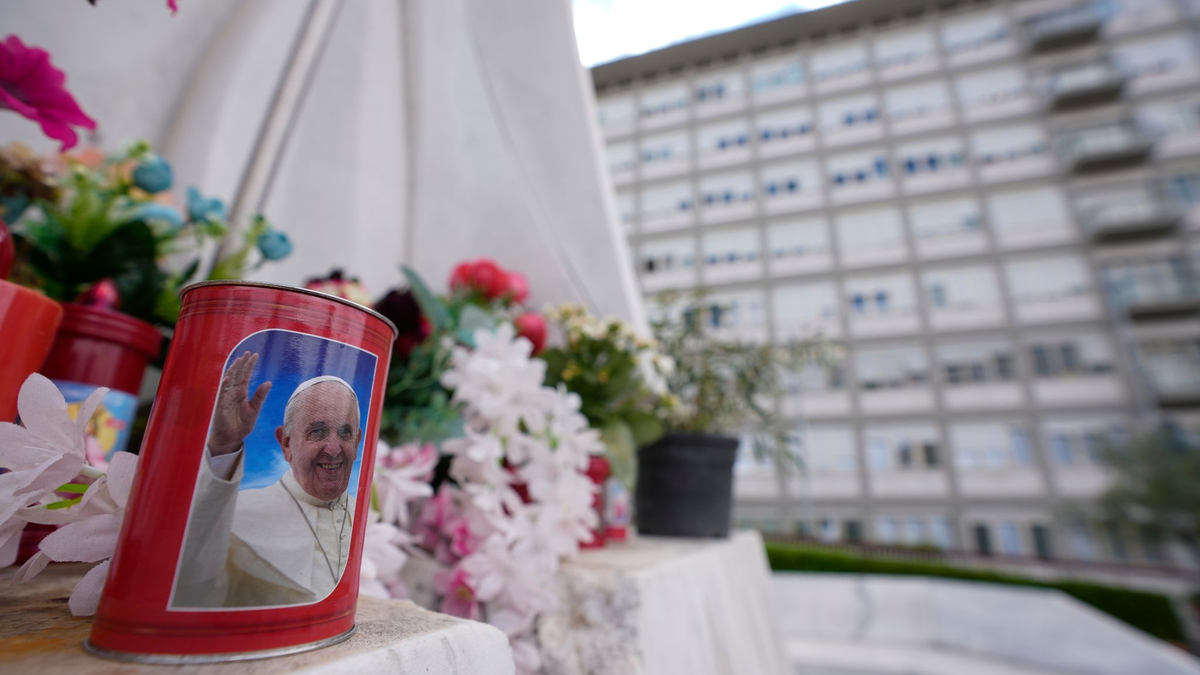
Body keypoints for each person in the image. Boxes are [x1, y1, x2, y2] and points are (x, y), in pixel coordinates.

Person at [173, 352, 361, 608]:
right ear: (286, 443)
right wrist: (224, 445)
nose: (333, 448)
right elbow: (193, 595)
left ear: (357, 442)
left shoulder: (361, 515)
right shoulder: (239, 513)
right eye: (317, 432)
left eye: (344, 433)